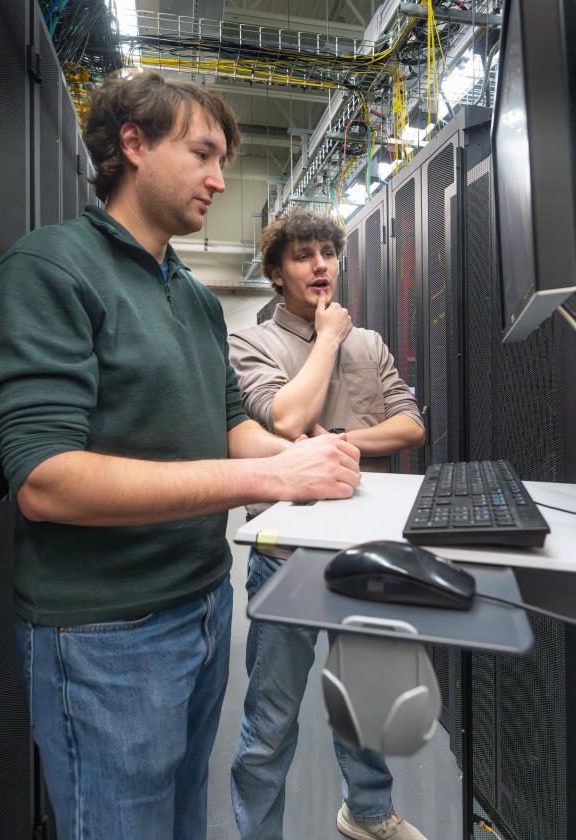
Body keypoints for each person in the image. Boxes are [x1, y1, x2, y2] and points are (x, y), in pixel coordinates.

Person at [0, 71, 362, 840]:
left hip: (203, 605)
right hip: (103, 633)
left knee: (184, 823)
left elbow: (229, 429)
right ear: (133, 145)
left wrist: (304, 453)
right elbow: (47, 482)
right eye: (204, 154)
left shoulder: (189, 295)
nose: (221, 180)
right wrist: (270, 475)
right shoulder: (50, 269)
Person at [228, 210, 427, 840]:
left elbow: (410, 425)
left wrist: (337, 441)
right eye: (302, 256)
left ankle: (366, 813)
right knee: (270, 720)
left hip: (366, 553)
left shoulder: (371, 343)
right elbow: (286, 419)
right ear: (275, 273)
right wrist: (329, 339)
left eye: (327, 254)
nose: (319, 266)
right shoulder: (252, 343)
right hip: (286, 556)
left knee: (364, 701)